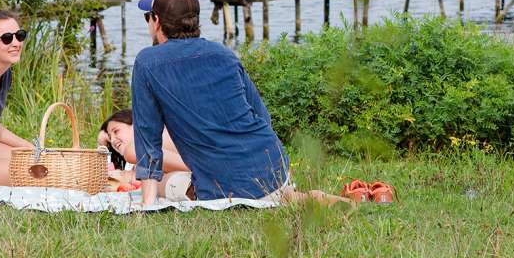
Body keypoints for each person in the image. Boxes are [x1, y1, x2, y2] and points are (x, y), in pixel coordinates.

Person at [131, 0, 345, 207]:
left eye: (148, 16)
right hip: (272, 164)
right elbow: (262, 117)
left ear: (157, 21)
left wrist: (147, 204)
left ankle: (275, 195)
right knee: (273, 193)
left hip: (223, 183)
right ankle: (293, 195)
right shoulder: (224, 54)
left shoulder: (147, 62)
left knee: (168, 182)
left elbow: (148, 138)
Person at [99, 108, 350, 204]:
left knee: (162, 183)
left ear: (132, 121)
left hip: (214, 180)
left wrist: (138, 175)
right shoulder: (166, 125)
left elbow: (187, 165)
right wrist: (106, 137)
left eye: (116, 131)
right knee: (287, 198)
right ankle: (338, 202)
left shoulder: (139, 145)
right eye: (112, 141)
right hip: (257, 167)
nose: (116, 141)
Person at [0, 10, 32, 186]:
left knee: (32, 159)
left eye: (19, 35)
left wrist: (27, 146)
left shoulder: (5, 73)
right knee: (31, 171)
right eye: (7, 38)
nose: (16, 43)